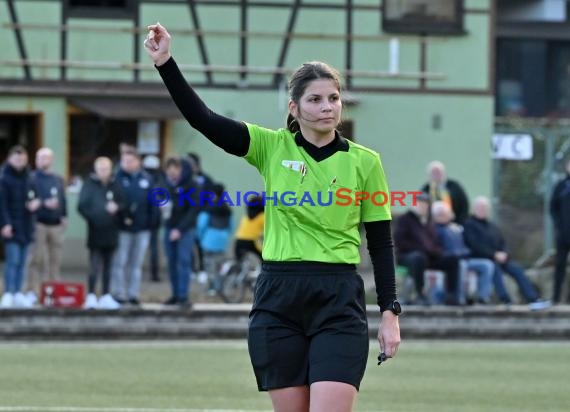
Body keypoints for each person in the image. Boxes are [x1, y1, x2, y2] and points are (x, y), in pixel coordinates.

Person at [145, 23, 400, 412]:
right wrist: (166, 64)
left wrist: (389, 312)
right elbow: (203, 120)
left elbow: (381, 243)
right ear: (294, 108)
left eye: (333, 98)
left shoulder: (366, 162)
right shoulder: (270, 146)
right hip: (279, 298)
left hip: (337, 298)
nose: (327, 106)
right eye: (315, 99)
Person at [463, 196, 551, 310]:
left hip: (499, 258)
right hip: (482, 258)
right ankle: (505, 300)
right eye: (480, 207)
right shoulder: (469, 225)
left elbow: (502, 243)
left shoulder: (492, 226)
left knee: (517, 269)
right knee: (495, 269)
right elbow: (474, 245)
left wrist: (504, 253)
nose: (483, 210)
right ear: (474, 209)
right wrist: (494, 254)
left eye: (485, 207)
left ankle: (533, 299)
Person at [393, 193, 461, 306]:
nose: (423, 207)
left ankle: (451, 295)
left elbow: (436, 243)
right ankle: (420, 294)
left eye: (425, 205)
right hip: (408, 257)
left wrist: (436, 251)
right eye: (420, 204)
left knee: (452, 260)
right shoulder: (404, 220)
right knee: (418, 257)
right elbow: (400, 242)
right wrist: (422, 249)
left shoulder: (428, 222)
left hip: (428, 257)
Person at [78, 157, 125, 310]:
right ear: (96, 169)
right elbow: (82, 206)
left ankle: (106, 295)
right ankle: (91, 295)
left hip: (111, 232)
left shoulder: (115, 184)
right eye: (101, 169)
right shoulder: (89, 185)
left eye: (106, 169)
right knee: (94, 265)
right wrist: (96, 217)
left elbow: (124, 203)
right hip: (95, 231)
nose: (104, 172)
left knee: (109, 266)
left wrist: (117, 208)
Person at [111, 150, 157, 305]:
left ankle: (133, 294)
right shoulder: (117, 178)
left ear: (138, 161)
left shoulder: (147, 179)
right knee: (120, 262)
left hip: (142, 229)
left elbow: (154, 203)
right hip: (122, 228)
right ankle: (119, 293)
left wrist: (152, 223)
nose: (127, 164)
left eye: (130, 161)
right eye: (124, 161)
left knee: (136, 264)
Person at [25, 147, 68, 304]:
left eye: (46, 158)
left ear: (52, 160)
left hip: (56, 224)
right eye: (40, 158)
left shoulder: (57, 179)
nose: (43, 161)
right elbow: (30, 202)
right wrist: (44, 203)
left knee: (55, 261)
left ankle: (53, 291)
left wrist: (64, 215)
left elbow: (62, 199)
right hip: (38, 223)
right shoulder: (31, 178)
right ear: (36, 160)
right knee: (35, 259)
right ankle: (32, 291)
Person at [0, 146, 41, 308]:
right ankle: (8, 293)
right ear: (10, 159)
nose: (20, 162)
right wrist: (5, 224)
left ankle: (18, 292)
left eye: (22, 159)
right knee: (13, 260)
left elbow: (37, 196)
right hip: (11, 226)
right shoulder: (4, 178)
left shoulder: (30, 178)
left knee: (23, 262)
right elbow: (1, 204)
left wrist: (36, 203)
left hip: (26, 226)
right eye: (17, 159)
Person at [431, 201, 493, 304]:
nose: (447, 216)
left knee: (487, 265)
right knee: (461, 265)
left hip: (464, 258)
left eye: (447, 213)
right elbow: (438, 249)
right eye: (442, 214)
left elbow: (464, 247)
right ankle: (459, 297)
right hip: (449, 260)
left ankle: (483, 297)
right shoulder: (434, 230)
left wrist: (465, 253)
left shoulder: (456, 229)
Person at [161, 156, 200, 308]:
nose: (172, 172)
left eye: (175, 169)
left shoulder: (192, 184)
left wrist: (179, 229)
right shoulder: (165, 184)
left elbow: (193, 209)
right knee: (171, 262)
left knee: (183, 261)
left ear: (181, 169)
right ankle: (175, 294)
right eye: (169, 169)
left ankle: (183, 296)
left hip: (185, 229)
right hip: (169, 227)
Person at [195, 183, 234, 294]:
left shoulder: (208, 208)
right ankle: (220, 286)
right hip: (222, 241)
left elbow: (202, 225)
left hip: (208, 240)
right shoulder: (227, 209)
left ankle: (212, 287)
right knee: (220, 266)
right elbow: (231, 226)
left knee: (209, 265)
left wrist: (200, 237)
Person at [550, 157, 570, 304]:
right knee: (560, 267)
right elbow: (553, 208)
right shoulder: (561, 186)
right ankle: (556, 298)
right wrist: (558, 225)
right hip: (563, 235)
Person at [142, 154, 163, 282]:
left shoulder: (143, 179)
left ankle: (152, 274)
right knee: (153, 248)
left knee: (138, 248)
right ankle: (154, 274)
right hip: (155, 219)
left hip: (145, 220)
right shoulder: (160, 179)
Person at [234, 194, 265, 261]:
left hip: (239, 240)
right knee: (263, 258)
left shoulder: (245, 217)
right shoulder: (262, 216)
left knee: (239, 261)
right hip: (251, 241)